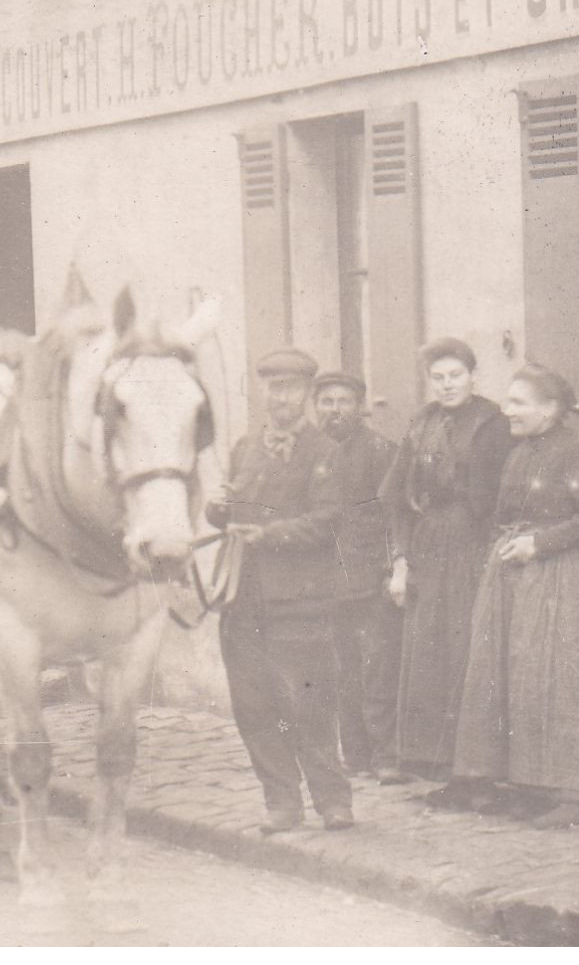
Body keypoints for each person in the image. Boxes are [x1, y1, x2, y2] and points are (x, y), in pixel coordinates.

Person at [450, 364, 579, 828]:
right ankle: (533, 784)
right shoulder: (519, 453)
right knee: (522, 676)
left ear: (551, 409)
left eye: (518, 402)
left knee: (566, 677)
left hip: (565, 575)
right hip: (519, 574)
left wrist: (538, 544)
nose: (507, 410)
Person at [208, 348, 354, 834]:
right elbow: (229, 515)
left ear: (307, 395)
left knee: (310, 703)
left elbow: (329, 520)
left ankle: (333, 801)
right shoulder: (246, 447)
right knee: (253, 705)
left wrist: (268, 536)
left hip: (299, 600)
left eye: (289, 388)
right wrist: (217, 508)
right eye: (272, 388)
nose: (280, 398)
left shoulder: (325, 452)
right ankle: (282, 803)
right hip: (242, 598)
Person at [379, 338, 513, 801]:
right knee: (428, 647)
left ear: (473, 376)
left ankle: (474, 766)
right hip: (428, 543)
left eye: (456, 375)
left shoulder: (493, 422)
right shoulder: (421, 423)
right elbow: (395, 497)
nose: (447, 384)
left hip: (474, 542)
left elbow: (501, 496)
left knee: (467, 648)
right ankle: (433, 761)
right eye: (438, 377)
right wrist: (400, 560)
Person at [311, 371, 403, 783]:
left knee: (379, 667)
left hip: (371, 576)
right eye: (327, 402)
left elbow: (395, 514)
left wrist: (393, 567)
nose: (335, 410)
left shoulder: (381, 450)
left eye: (343, 402)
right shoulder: (312, 454)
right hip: (327, 580)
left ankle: (386, 756)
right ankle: (356, 756)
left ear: (359, 406)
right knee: (341, 670)